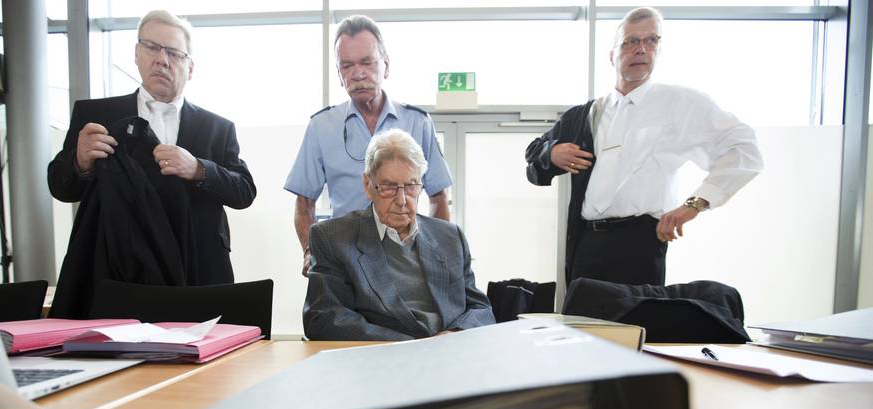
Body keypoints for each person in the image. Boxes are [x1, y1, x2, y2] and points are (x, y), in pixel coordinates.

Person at [525, 6, 762, 287]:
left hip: (640, 244)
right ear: (612, 55)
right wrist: (551, 152)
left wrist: (696, 204)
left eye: (651, 41)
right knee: (579, 325)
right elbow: (533, 154)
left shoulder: (681, 103)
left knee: (635, 327)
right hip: (585, 242)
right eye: (630, 41)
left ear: (659, 50)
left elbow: (744, 150)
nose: (641, 49)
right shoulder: (586, 114)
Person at [48, 9, 255, 290]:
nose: (161, 59)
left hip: (197, 267)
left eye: (173, 52)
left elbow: (244, 191)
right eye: (152, 47)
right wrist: (80, 161)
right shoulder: (96, 114)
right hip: (117, 267)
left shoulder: (218, 127)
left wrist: (198, 169)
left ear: (190, 67)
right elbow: (60, 187)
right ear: (137, 54)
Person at [285, 15, 452, 276]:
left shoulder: (417, 122)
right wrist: (311, 251)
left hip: (405, 261)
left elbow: (439, 197)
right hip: (344, 261)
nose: (358, 73)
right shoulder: (321, 126)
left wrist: (436, 254)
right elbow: (304, 203)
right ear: (339, 75)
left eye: (367, 62)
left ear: (385, 66)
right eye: (347, 66)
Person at [303, 129, 494, 341]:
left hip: (448, 356)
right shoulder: (333, 238)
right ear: (368, 185)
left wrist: (453, 336)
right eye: (389, 187)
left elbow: (480, 310)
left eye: (411, 186)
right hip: (380, 361)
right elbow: (324, 318)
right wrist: (408, 347)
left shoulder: (449, 237)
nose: (402, 200)